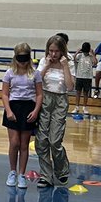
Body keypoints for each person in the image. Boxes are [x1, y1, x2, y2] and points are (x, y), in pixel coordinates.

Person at [1, 43, 42, 189]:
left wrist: (36, 111)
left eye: (25, 59)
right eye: (20, 59)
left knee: (24, 144)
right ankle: (12, 172)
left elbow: (39, 94)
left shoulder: (35, 73)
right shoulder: (9, 73)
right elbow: (5, 94)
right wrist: (9, 111)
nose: (22, 62)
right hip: (13, 108)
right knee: (14, 143)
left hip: (28, 108)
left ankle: (21, 174)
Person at [35, 34, 72, 187]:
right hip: (45, 98)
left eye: (56, 51)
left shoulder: (68, 62)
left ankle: (62, 170)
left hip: (61, 100)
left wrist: (64, 66)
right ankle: (46, 175)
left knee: (55, 140)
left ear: (62, 51)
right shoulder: (44, 61)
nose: (53, 54)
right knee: (42, 139)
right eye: (51, 51)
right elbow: (36, 80)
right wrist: (47, 66)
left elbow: (70, 86)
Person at [72, 42, 96, 115]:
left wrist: (93, 54)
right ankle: (76, 107)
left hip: (88, 77)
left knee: (86, 92)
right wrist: (77, 52)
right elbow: (73, 59)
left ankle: (85, 107)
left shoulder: (91, 57)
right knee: (78, 92)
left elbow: (95, 62)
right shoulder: (79, 56)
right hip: (79, 76)